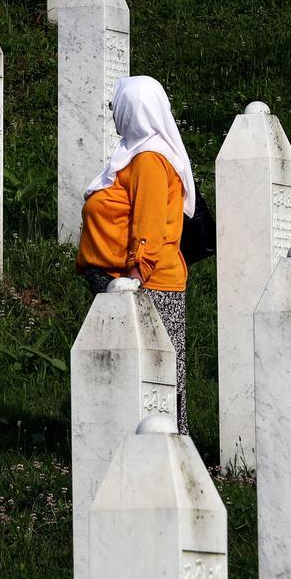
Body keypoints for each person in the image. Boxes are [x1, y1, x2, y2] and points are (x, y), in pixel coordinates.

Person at [75, 76, 197, 434]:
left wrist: (134, 279)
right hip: (128, 283)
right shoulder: (131, 154)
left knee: (157, 384)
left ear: (134, 110)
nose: (114, 112)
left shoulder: (148, 161)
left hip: (148, 286)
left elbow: (149, 225)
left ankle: (169, 458)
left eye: (118, 105)